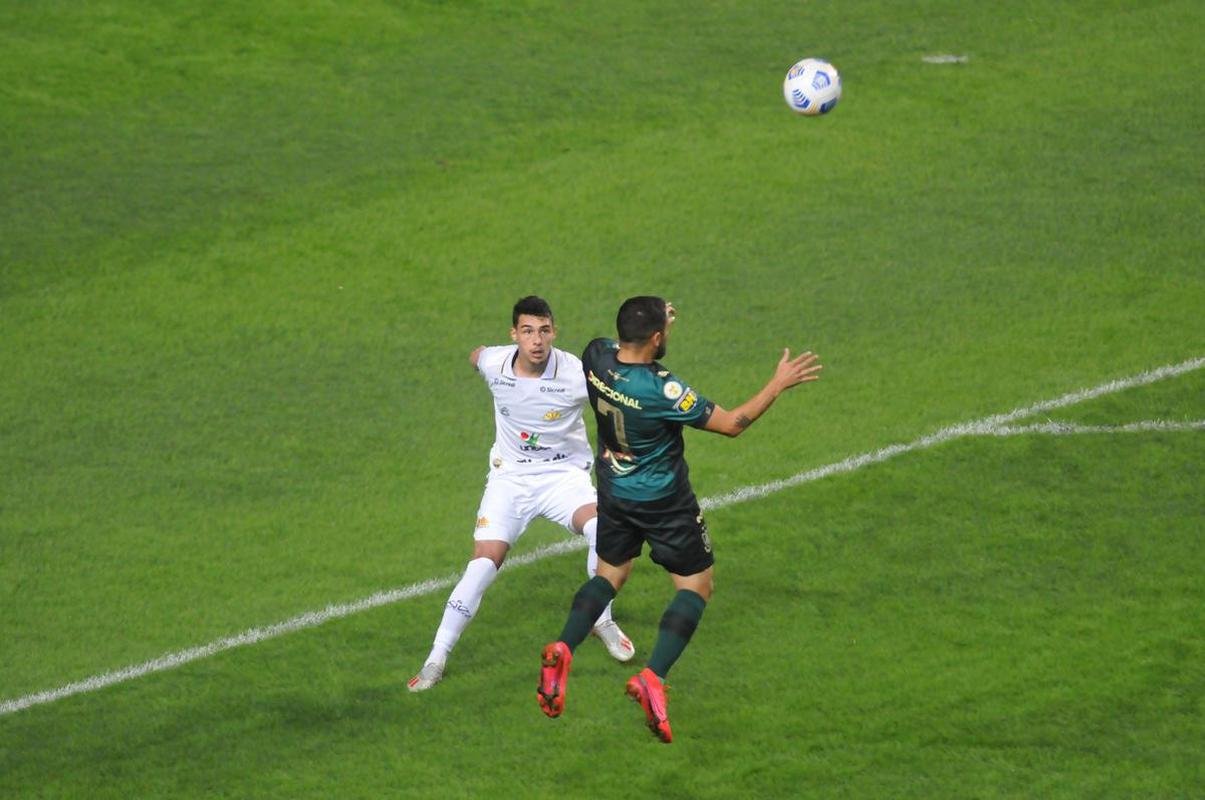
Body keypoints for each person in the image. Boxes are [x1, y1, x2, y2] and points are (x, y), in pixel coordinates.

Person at [536, 296, 822, 741]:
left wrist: (656, 325)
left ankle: (563, 646)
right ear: (655, 338)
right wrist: (777, 383)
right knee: (696, 586)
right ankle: (653, 678)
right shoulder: (662, 389)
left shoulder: (595, 355)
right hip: (665, 503)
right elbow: (732, 423)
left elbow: (624, 345)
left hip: (614, 490)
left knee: (610, 575)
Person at [408, 296, 635, 692]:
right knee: (483, 564)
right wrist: (478, 357)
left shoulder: (574, 374)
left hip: (562, 477)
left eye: (544, 331)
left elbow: (620, 386)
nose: (537, 340)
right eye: (528, 331)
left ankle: (601, 619)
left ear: (554, 332)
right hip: (510, 480)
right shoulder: (494, 362)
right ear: (514, 334)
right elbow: (477, 356)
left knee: (603, 531)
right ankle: (436, 658)